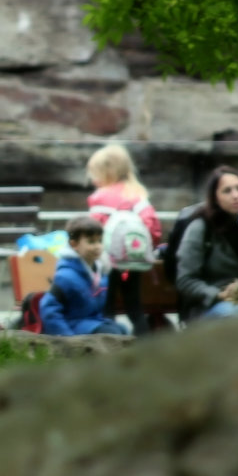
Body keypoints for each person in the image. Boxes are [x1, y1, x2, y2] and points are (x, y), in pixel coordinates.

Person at [85, 143, 162, 336]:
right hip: (134, 262)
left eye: (96, 174)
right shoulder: (138, 194)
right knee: (134, 305)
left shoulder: (100, 197)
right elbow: (154, 228)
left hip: (109, 262)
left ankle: (110, 340)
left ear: (107, 172)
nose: (94, 180)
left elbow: (93, 230)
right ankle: (144, 342)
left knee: (108, 304)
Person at [175, 165, 238, 320]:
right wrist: (218, 294)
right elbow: (185, 280)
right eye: (227, 191)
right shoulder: (200, 228)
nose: (236, 195)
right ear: (215, 197)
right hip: (210, 307)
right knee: (235, 315)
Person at [40, 215, 129, 336]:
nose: (97, 246)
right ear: (74, 244)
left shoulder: (100, 271)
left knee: (123, 330)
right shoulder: (66, 276)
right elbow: (49, 309)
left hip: (92, 322)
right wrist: (67, 340)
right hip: (72, 327)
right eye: (91, 241)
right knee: (112, 333)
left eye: (99, 241)